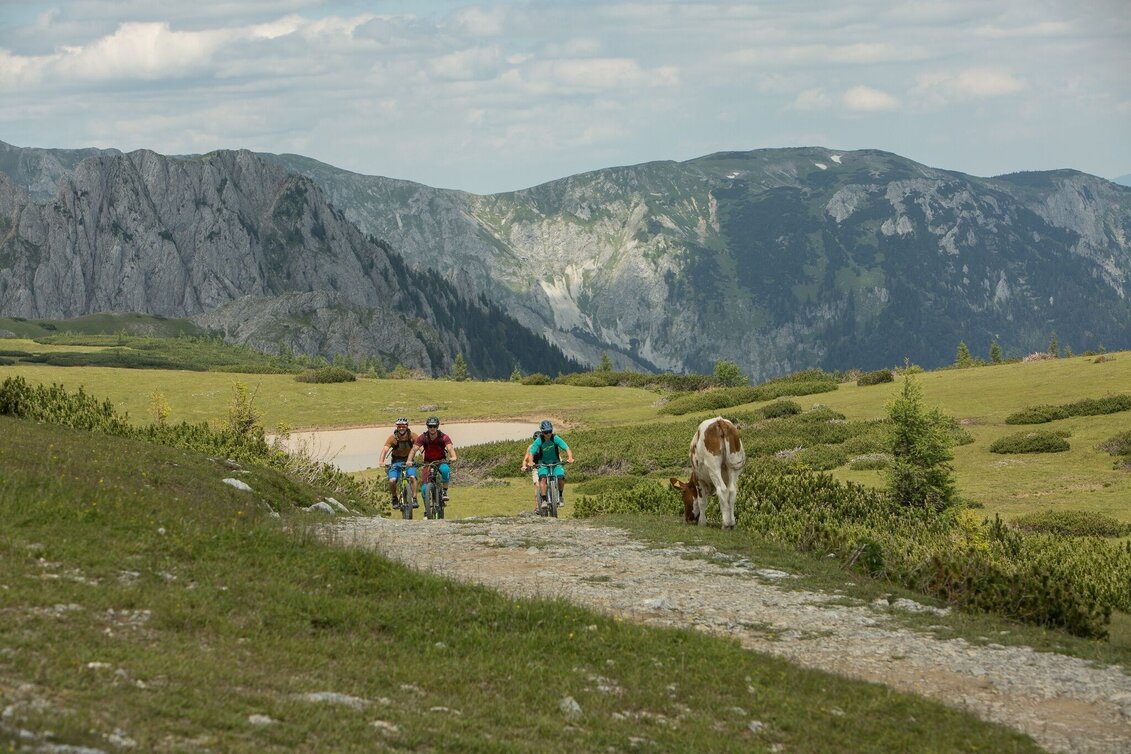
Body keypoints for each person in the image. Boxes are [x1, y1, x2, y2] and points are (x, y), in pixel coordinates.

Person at [523, 419, 574, 511]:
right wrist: (530, 462)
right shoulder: (539, 441)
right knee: (542, 478)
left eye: (550, 431)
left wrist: (570, 457)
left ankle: (561, 496)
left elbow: (566, 448)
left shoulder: (555, 438)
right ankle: (544, 500)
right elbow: (531, 452)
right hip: (543, 463)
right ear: (542, 432)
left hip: (556, 463)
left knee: (561, 477)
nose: (548, 434)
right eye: (546, 432)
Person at [408, 416, 457, 506]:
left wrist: (453, 456)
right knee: (424, 488)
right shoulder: (423, 437)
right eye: (430, 426)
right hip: (428, 463)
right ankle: (427, 509)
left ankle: (444, 491)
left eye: (434, 426)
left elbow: (449, 447)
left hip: (441, 461)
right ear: (427, 427)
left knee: (446, 470)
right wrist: (409, 460)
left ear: (437, 426)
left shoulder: (443, 437)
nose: (432, 428)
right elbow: (414, 449)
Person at [381, 418, 418, 508]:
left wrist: (425, 458)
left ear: (407, 426)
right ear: (397, 427)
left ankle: (414, 499)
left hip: (409, 461)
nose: (401, 428)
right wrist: (381, 461)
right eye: (399, 426)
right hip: (396, 462)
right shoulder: (393, 438)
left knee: (412, 477)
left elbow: (420, 447)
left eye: (403, 426)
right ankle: (394, 498)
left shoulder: (412, 436)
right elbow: (385, 449)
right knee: (392, 480)